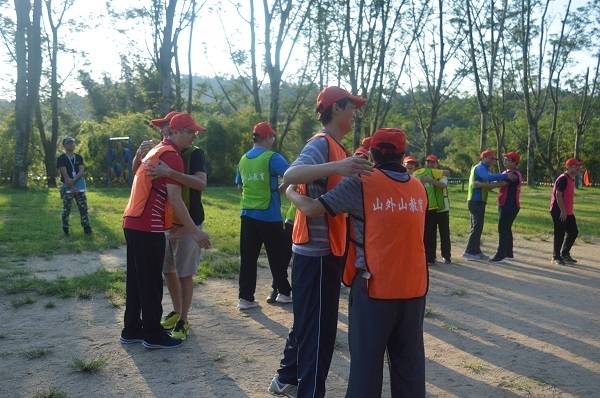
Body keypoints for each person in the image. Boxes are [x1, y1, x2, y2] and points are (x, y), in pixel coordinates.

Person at [286, 128, 428, 398]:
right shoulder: (417, 187)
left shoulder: (362, 182)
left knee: (366, 367)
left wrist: (291, 191)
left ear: (372, 153)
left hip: (373, 288)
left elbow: (312, 208)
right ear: (402, 155)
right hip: (414, 289)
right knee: (409, 368)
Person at [268, 86, 372, 398]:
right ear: (336, 108)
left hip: (326, 253)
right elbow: (292, 172)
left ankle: (286, 378)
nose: (355, 112)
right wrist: (339, 167)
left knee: (308, 322)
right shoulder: (321, 143)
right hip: (316, 255)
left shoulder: (336, 146)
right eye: (351, 106)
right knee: (319, 333)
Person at [120, 113, 211, 350]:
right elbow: (176, 201)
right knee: (150, 282)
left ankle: (131, 329)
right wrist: (196, 233)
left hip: (132, 221)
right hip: (148, 225)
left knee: (137, 281)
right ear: (177, 132)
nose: (194, 135)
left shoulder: (158, 151)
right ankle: (152, 334)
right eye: (191, 132)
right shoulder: (171, 156)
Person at [143, 113, 209, 341]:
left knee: (185, 273)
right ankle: (177, 310)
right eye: (161, 127)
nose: (163, 131)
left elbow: (201, 183)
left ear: (174, 130)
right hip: (166, 223)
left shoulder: (194, 154)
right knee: (167, 270)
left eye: (165, 127)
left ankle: (184, 320)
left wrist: (170, 173)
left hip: (189, 221)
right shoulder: (163, 152)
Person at [235, 122, 293, 309]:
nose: (273, 140)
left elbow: (239, 185)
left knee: (248, 258)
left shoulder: (243, 159)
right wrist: (282, 188)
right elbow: (294, 174)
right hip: (269, 215)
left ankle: (245, 298)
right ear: (267, 138)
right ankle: (283, 293)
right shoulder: (272, 157)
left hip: (247, 214)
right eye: (272, 137)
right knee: (277, 256)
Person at [463, 150, 516, 260]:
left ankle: (476, 250)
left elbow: (489, 183)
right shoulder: (480, 168)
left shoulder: (484, 168)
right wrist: (505, 175)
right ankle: (470, 251)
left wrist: (491, 182)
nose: (492, 161)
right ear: (484, 158)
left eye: (494, 160)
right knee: (477, 226)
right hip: (475, 201)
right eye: (491, 159)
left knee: (477, 226)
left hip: (479, 201)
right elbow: (488, 178)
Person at [415, 155, 451, 265]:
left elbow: (443, 185)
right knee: (431, 234)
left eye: (433, 162)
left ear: (437, 164)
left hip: (443, 209)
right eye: (428, 162)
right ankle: (432, 256)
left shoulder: (439, 174)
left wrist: (430, 180)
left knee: (444, 234)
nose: (431, 164)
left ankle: (447, 256)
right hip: (431, 209)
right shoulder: (422, 173)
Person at [490, 152, 523, 263]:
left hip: (510, 206)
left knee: (502, 229)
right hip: (503, 204)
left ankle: (501, 254)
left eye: (508, 159)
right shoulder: (506, 172)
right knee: (506, 228)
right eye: (505, 159)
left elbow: (500, 184)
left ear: (515, 162)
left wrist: (481, 185)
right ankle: (509, 252)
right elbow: (498, 181)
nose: (505, 161)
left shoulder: (514, 174)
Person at [550, 158, 583, 265]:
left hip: (567, 211)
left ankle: (564, 254)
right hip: (558, 210)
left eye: (578, 166)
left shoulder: (571, 179)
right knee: (559, 233)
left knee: (573, 232)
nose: (577, 168)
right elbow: (558, 195)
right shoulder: (563, 178)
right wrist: (563, 211)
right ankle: (556, 257)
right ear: (568, 167)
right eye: (575, 166)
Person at [57, 137, 92, 236]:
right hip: (68, 187)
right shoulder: (61, 158)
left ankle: (86, 227)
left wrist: (74, 180)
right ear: (64, 145)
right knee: (66, 209)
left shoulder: (79, 157)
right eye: (69, 143)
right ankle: (65, 228)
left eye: (73, 143)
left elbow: (81, 171)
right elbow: (64, 174)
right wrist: (72, 187)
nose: (71, 145)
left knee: (83, 207)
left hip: (79, 186)